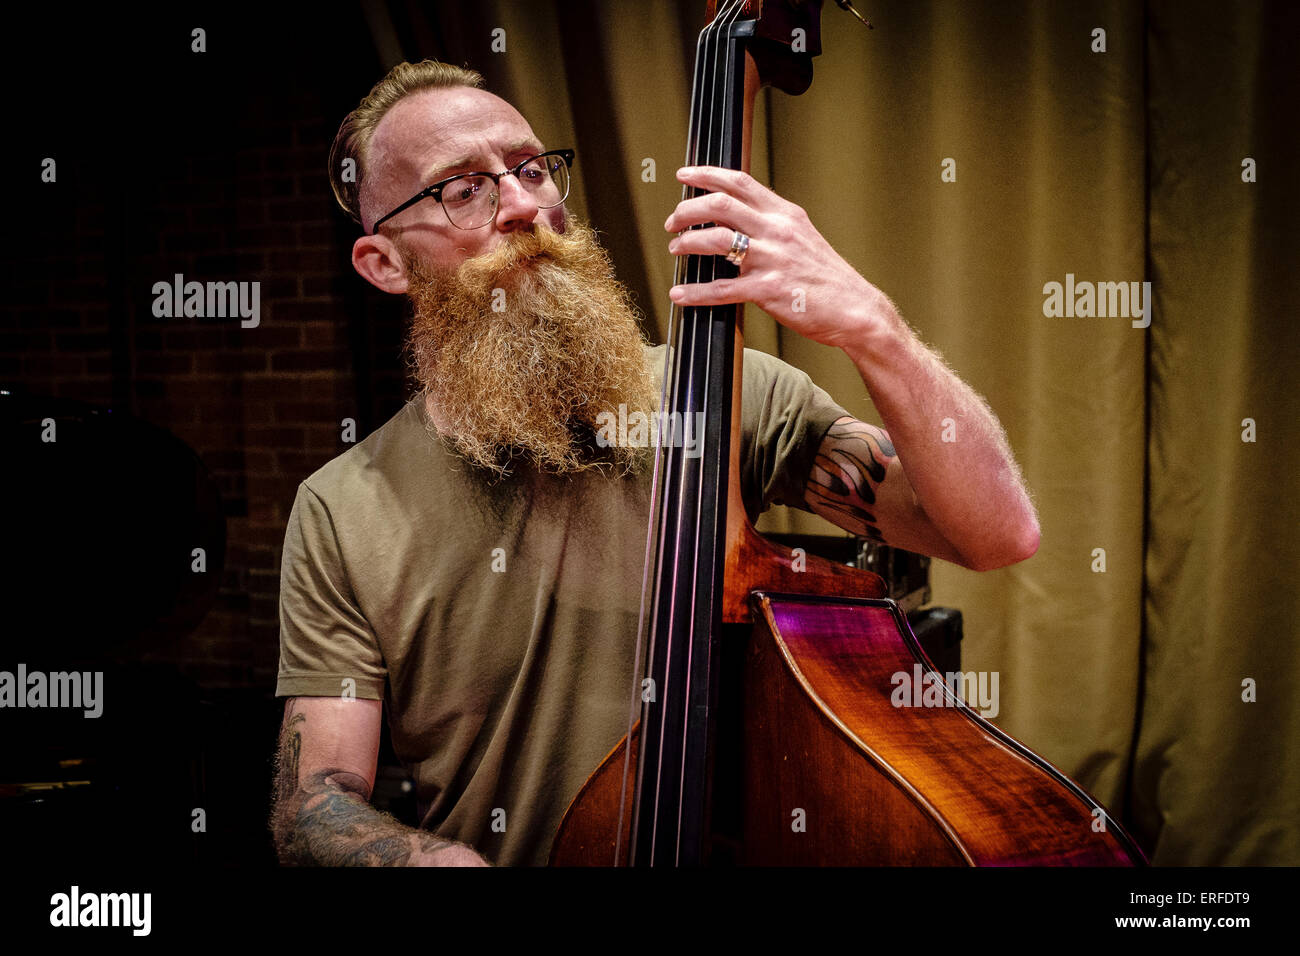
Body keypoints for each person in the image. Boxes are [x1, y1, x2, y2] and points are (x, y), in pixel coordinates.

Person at [270, 60, 1039, 866]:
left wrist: (875, 328)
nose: (525, 205)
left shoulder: (721, 395)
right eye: (464, 189)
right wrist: (441, 863)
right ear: (384, 264)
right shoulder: (341, 509)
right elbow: (314, 804)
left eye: (531, 168)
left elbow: (995, 534)